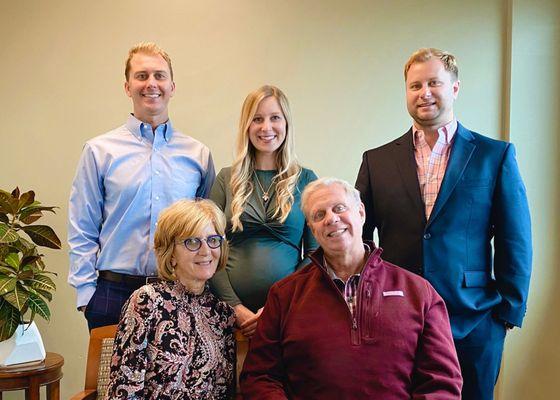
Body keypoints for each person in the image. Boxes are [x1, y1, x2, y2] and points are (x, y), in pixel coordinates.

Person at [355, 48, 532, 400]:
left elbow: (516, 239)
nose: (424, 93)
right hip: (396, 320)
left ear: (454, 88)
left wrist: (507, 314)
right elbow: (358, 240)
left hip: (475, 320)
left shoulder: (494, 156)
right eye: (415, 85)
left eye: (434, 83)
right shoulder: (376, 161)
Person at [240, 178, 462, 399]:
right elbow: (260, 377)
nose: (331, 219)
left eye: (339, 208)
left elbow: (441, 382)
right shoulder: (284, 295)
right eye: (319, 215)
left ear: (361, 212)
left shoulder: (419, 292)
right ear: (312, 229)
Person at [68, 42, 215, 331]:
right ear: (127, 86)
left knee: (176, 378)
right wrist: (87, 295)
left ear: (172, 86)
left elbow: (206, 232)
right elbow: (82, 226)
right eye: (142, 75)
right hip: (113, 294)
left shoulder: (198, 155)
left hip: (179, 291)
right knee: (112, 378)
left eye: (159, 76)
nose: (151, 84)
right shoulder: (99, 151)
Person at [210, 85, 317, 337]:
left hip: (288, 312)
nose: (266, 127)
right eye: (257, 119)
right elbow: (209, 249)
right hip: (228, 317)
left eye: (274, 118)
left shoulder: (306, 180)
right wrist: (235, 309)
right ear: (247, 126)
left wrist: (277, 305)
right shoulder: (227, 179)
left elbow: (315, 253)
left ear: (286, 123)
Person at [105, 199, 235, 400]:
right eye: (192, 241)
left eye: (213, 240)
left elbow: (224, 391)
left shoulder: (222, 314)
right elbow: (124, 389)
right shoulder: (146, 301)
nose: (206, 251)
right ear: (170, 252)